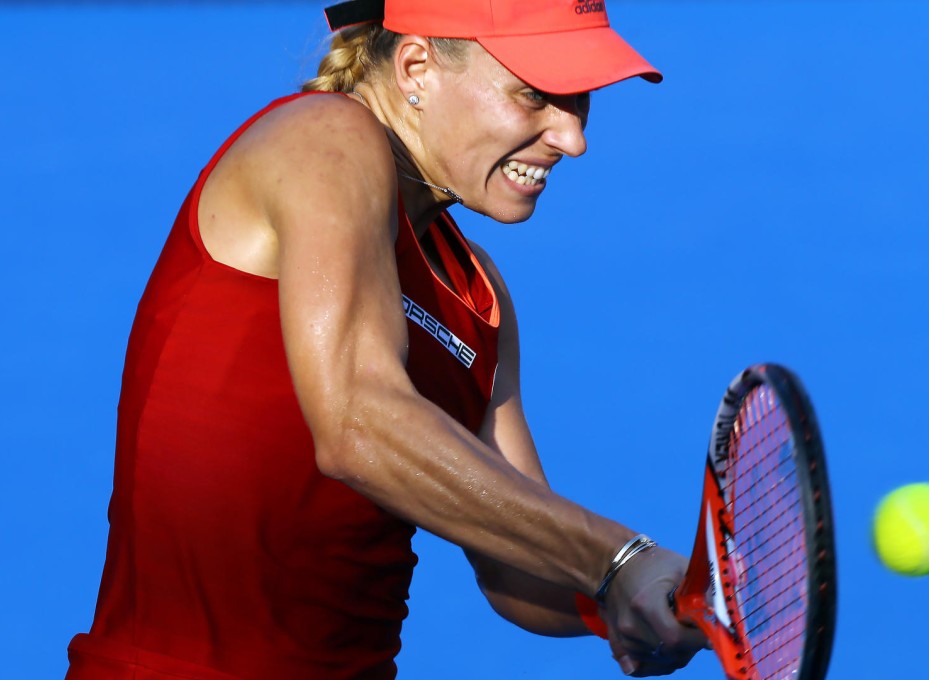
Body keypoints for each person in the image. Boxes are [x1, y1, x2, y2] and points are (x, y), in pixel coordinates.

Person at [66, 0, 706, 677]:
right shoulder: (323, 138)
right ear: (417, 66)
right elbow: (358, 426)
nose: (572, 138)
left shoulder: (479, 294)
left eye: (578, 99)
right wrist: (615, 561)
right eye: (536, 95)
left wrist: (658, 601)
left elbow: (518, 562)